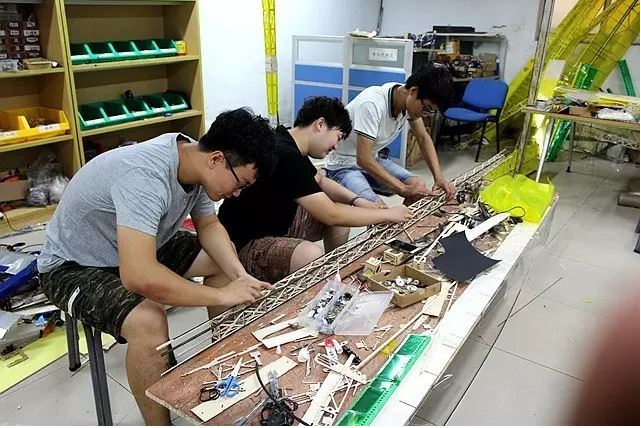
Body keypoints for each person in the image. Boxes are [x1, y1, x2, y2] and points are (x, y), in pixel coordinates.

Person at [37, 108, 276, 425]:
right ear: (217, 159)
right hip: (72, 265)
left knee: (221, 260)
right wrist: (223, 296)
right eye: (240, 183)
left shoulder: (193, 160)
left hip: (127, 243)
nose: (236, 193)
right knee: (149, 321)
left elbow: (208, 226)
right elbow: (139, 276)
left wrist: (239, 276)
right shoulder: (146, 177)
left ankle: (223, 363)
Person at [218, 96, 413, 284]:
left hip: (275, 223)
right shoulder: (286, 155)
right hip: (243, 243)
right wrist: (388, 214)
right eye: (337, 137)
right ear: (320, 124)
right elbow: (331, 215)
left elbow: (320, 180)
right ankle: (311, 287)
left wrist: (358, 201)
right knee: (310, 254)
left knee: (342, 214)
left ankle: (335, 272)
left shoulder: (288, 141)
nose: (335, 146)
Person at [324, 64, 457, 207]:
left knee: (417, 186)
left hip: (371, 160)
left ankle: (403, 220)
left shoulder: (405, 100)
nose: (424, 114)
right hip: (342, 166)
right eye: (426, 108)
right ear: (413, 91)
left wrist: (439, 178)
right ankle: (391, 219)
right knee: (379, 209)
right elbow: (363, 159)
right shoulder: (372, 104)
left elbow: (423, 138)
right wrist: (402, 188)